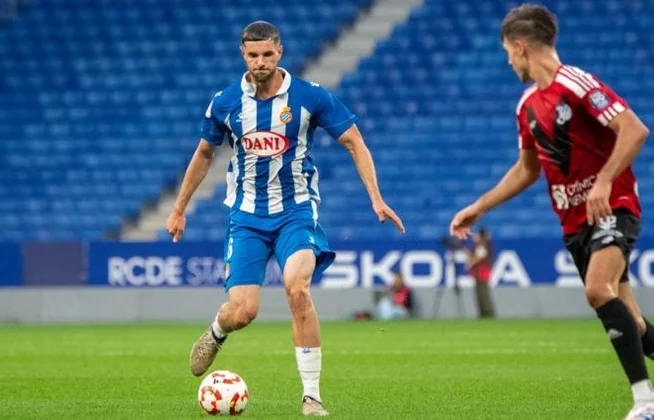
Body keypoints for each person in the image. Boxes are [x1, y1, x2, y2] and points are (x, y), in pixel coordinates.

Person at [165, 21, 405, 416]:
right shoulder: (225, 102)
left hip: (296, 211)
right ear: (243, 55)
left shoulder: (309, 97)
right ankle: (217, 331)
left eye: (267, 54)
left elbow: (354, 142)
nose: (260, 62)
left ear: (280, 52)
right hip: (247, 217)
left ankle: (312, 396)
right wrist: (178, 208)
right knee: (243, 311)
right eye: (253, 55)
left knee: (297, 288)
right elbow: (204, 153)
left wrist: (376, 198)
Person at [449, 4, 653, 419]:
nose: (508, 61)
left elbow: (634, 129)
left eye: (507, 52)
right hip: (574, 223)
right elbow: (527, 170)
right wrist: (478, 207)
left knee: (597, 290)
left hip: (612, 207)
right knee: (632, 322)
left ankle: (644, 402)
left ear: (520, 47)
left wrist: (604, 180)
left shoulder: (576, 83)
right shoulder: (527, 105)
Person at [465, 228, 496, 319]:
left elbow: (479, 257)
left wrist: (470, 263)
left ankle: (488, 313)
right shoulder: (482, 245)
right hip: (479, 272)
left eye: (477, 235)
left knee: (483, 294)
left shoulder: (482, 245)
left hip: (482, 272)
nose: (474, 236)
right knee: (480, 294)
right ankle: (484, 314)